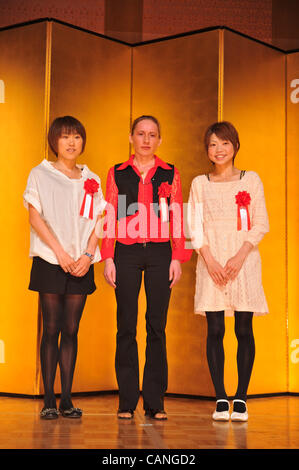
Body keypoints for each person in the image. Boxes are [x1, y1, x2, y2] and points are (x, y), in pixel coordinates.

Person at [101, 115, 191, 420]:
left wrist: (177, 256)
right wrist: (108, 256)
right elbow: (110, 214)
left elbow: (177, 215)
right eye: (141, 133)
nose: (146, 139)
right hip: (124, 252)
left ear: (160, 140)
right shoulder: (116, 172)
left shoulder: (170, 173)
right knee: (126, 326)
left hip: (159, 253)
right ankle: (126, 401)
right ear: (131, 137)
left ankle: (155, 401)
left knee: (157, 326)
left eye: (152, 134)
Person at [23, 116, 106, 419]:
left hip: (82, 263)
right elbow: (35, 217)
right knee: (52, 329)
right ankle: (48, 400)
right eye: (65, 137)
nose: (72, 143)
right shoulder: (40, 173)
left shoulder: (91, 179)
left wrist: (87, 254)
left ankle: (67, 400)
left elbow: (101, 220)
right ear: (54, 141)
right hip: (50, 260)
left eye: (77, 137)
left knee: (71, 330)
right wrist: (59, 253)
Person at [187, 121, 269, 422]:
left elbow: (260, 223)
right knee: (216, 329)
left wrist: (239, 257)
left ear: (235, 145)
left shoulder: (252, 180)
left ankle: (242, 398)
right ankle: (221, 397)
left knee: (244, 328)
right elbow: (193, 226)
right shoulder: (199, 183)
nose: (218, 149)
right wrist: (208, 259)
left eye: (224, 143)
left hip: (243, 262)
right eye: (212, 144)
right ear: (206, 149)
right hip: (212, 262)